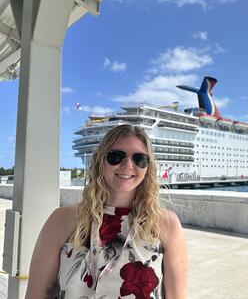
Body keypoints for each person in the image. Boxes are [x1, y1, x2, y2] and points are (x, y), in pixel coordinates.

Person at [25, 125, 188, 298]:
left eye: (139, 159)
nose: (128, 165)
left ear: (148, 167)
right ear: (100, 161)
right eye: (116, 156)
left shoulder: (166, 224)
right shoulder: (63, 219)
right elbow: (36, 294)